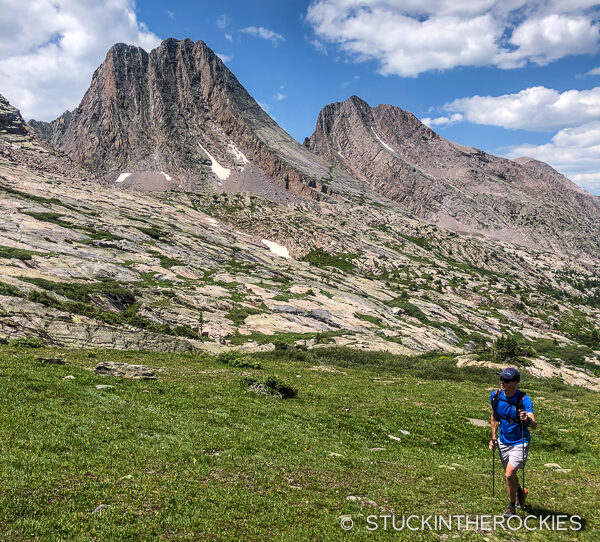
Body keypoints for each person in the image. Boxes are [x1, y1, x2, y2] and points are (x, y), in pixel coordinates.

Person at [489, 367, 537, 517]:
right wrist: (493, 437)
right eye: (501, 378)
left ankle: (511, 507)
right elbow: (494, 417)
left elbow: (534, 425)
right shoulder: (496, 395)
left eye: (507, 380)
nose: (502, 382)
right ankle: (520, 492)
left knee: (509, 474)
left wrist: (527, 419)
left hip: (520, 441)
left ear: (515, 383)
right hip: (503, 441)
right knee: (510, 475)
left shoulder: (523, 399)